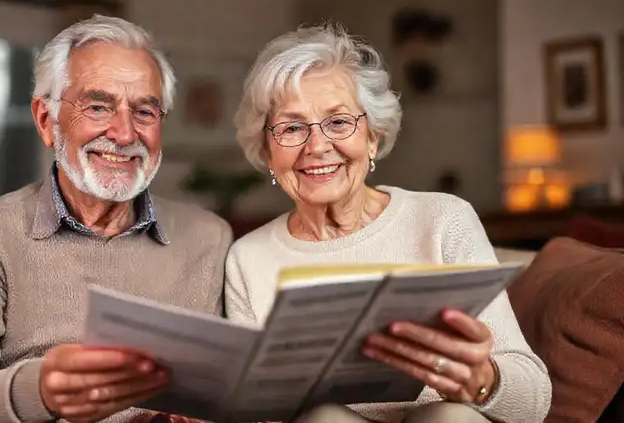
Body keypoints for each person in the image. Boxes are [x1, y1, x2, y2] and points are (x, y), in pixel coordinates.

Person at [225, 23, 552, 423]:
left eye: (339, 122)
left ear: (373, 138)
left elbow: (534, 401)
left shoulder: (443, 220)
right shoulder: (248, 259)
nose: (316, 146)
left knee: (448, 418)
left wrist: (482, 380)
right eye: (292, 128)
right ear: (266, 150)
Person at [0, 15, 232, 423]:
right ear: (46, 121)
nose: (123, 133)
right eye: (98, 106)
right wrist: (41, 390)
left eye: (144, 112)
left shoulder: (209, 237)